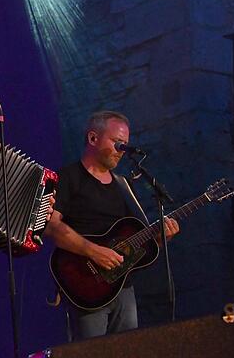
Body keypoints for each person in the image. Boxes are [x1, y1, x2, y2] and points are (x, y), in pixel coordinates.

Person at [44, 110, 180, 340]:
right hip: (86, 284)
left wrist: (160, 236)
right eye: (117, 143)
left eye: (125, 144)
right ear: (93, 138)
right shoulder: (67, 177)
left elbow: (136, 236)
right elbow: (50, 227)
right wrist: (94, 252)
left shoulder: (123, 185)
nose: (122, 151)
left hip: (123, 286)